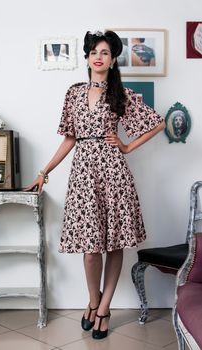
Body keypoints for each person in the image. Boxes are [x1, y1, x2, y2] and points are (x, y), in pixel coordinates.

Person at [26, 30, 165, 340]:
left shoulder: (121, 94)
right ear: (87, 58)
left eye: (104, 52)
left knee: (113, 243)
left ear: (113, 59)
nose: (98, 57)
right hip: (83, 176)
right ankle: (92, 300)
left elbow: (158, 123)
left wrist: (127, 147)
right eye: (93, 52)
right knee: (91, 250)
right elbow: (69, 138)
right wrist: (44, 170)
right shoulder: (73, 93)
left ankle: (103, 308)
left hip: (114, 173)